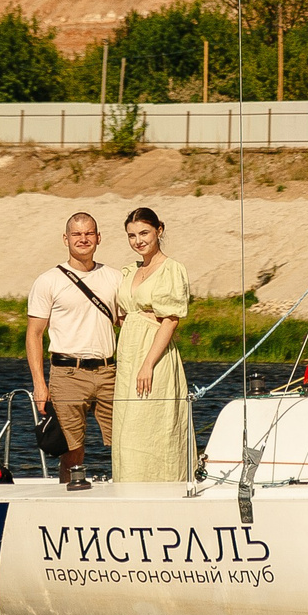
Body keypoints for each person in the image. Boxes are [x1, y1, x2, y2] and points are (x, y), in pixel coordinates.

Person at [26, 212, 123, 490]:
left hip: (108, 372)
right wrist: (39, 384)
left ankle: (127, 497)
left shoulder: (114, 277)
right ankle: (70, 499)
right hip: (68, 373)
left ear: (99, 238)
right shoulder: (48, 281)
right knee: (72, 449)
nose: (83, 239)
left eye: (89, 233)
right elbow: (34, 334)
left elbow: (126, 321)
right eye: (77, 234)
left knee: (124, 443)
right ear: (65, 239)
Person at [112, 206, 191, 483]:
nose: (138, 241)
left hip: (153, 356)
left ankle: (162, 486)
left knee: (148, 425)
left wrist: (147, 364)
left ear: (159, 230)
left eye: (144, 233)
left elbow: (170, 320)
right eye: (132, 235)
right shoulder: (130, 271)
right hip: (129, 353)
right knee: (125, 430)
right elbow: (123, 313)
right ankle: (127, 487)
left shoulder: (171, 269)